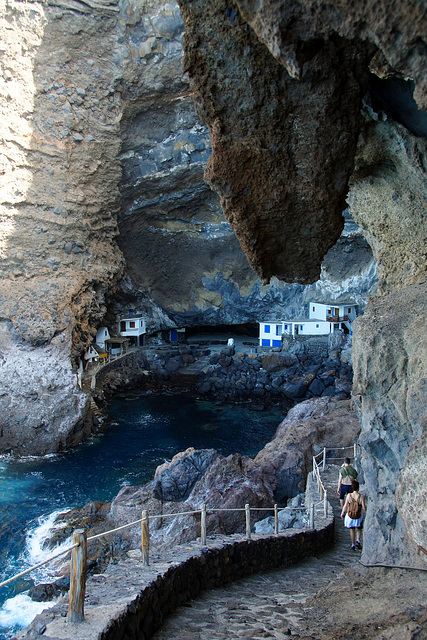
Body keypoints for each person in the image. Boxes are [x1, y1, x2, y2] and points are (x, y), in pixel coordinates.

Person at [341, 479, 366, 550]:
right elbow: (364, 508)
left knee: (352, 529)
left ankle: (353, 544)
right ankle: (358, 540)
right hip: (358, 515)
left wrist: (342, 513)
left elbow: (345, 506)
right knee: (359, 528)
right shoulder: (361, 497)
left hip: (350, 515)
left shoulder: (349, 496)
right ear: (358, 487)